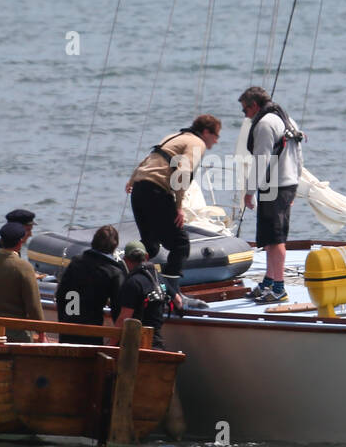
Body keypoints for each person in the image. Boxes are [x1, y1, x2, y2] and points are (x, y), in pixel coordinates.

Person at [124, 114, 221, 305]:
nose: (216, 141)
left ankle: (122, 271)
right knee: (181, 243)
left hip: (140, 190)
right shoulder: (196, 143)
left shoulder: (174, 137)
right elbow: (183, 172)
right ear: (206, 132)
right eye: (216, 135)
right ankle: (172, 294)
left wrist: (132, 180)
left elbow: (150, 157)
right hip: (156, 192)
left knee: (150, 245)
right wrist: (179, 207)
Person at [238, 85, 303, 303]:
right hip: (285, 184)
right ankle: (268, 280)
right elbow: (298, 154)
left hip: (277, 186)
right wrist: (297, 183)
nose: (245, 115)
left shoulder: (265, 124)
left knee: (276, 239)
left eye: (245, 110)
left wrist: (248, 192)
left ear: (254, 105)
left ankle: (279, 288)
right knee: (267, 236)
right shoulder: (286, 119)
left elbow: (261, 161)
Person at [56, 224, 126, 345]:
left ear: (94, 241)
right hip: (92, 329)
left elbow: (61, 295)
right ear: (114, 246)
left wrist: (65, 321)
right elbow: (118, 309)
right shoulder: (114, 272)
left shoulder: (76, 262)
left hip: (69, 323)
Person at [0, 221, 44, 341]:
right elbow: (33, 306)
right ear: (20, 242)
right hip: (16, 333)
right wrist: (41, 330)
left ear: (1, 241)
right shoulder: (24, 267)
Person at [116, 241, 168, 349]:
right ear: (147, 257)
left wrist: (110, 344)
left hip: (137, 345)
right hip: (157, 343)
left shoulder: (133, 283)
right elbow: (176, 299)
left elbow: (124, 319)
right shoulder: (160, 279)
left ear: (125, 260)